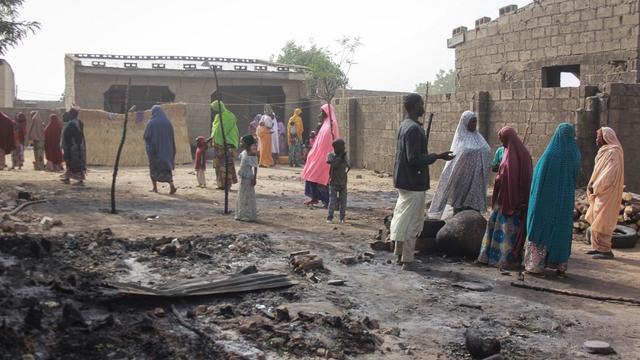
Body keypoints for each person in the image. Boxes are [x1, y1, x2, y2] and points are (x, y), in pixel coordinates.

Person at [390, 94, 455, 270]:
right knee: (413, 221)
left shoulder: (405, 126)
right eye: (421, 104)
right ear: (414, 107)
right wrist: (437, 156)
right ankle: (408, 260)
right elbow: (414, 159)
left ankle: (399, 254)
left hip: (404, 181)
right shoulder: (413, 129)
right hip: (414, 182)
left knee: (402, 218)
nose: (423, 107)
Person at [524, 123, 581, 276]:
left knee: (541, 228)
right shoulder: (575, 154)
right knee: (561, 230)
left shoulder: (550, 155)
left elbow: (538, 178)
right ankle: (560, 266)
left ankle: (535, 267)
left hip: (546, 201)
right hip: (565, 200)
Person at [477, 126, 533, 269]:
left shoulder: (523, 155)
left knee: (508, 229)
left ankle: (507, 260)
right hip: (502, 198)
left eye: (502, 139)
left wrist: (520, 200)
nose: (501, 143)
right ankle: (489, 257)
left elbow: (525, 179)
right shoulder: (506, 152)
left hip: (514, 201)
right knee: (494, 225)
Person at [428, 111, 491, 218]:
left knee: (473, 210)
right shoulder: (460, 139)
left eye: (475, 121)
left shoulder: (478, 137)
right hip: (462, 180)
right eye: (472, 122)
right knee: (460, 207)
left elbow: (487, 151)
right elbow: (455, 160)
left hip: (476, 181)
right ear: (465, 122)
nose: (474, 124)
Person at [585, 127, 625, 260]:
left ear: (606, 137)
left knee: (603, 220)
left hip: (607, 192)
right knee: (597, 218)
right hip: (599, 191)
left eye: (598, 137)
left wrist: (596, 186)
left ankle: (606, 250)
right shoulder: (604, 151)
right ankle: (597, 247)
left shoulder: (614, 152)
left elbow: (609, 173)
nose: (596, 139)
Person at [301, 104, 340, 207]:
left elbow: (333, 141)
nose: (320, 115)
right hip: (317, 155)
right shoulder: (324, 124)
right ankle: (314, 197)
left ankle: (328, 201)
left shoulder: (332, 124)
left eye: (322, 112)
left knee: (321, 179)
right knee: (310, 174)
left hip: (326, 157)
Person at [143, 105, 177, 194]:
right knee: (166, 169)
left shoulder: (151, 123)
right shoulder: (168, 122)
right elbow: (172, 137)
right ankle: (171, 186)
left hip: (155, 151)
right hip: (166, 151)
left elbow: (146, 136)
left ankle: (155, 188)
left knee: (154, 169)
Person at [210, 100, 240, 190]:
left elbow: (221, 131)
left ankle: (227, 185)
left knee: (226, 166)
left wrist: (218, 140)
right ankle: (221, 185)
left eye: (214, 109)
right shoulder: (217, 117)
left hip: (228, 145)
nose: (213, 112)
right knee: (218, 165)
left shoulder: (228, 116)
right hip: (218, 146)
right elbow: (215, 130)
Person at [236, 134, 259, 222]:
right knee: (242, 194)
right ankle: (241, 214)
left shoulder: (251, 154)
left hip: (248, 177)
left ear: (247, 143)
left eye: (242, 142)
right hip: (243, 177)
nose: (241, 143)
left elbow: (255, 166)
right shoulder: (244, 153)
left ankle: (248, 215)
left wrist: (254, 178)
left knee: (247, 195)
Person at [327, 139, 351, 224]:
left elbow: (349, 165)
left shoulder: (344, 156)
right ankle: (330, 218)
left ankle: (342, 218)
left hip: (343, 182)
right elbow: (333, 164)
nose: (344, 148)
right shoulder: (331, 155)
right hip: (333, 181)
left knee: (343, 202)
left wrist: (344, 158)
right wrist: (339, 158)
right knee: (332, 201)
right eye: (342, 146)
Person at [61, 108, 87, 185]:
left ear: (71, 115)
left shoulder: (70, 124)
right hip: (80, 145)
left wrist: (66, 146)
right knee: (78, 162)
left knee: (71, 161)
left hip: (72, 146)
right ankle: (68, 178)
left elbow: (67, 137)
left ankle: (79, 180)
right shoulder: (80, 122)